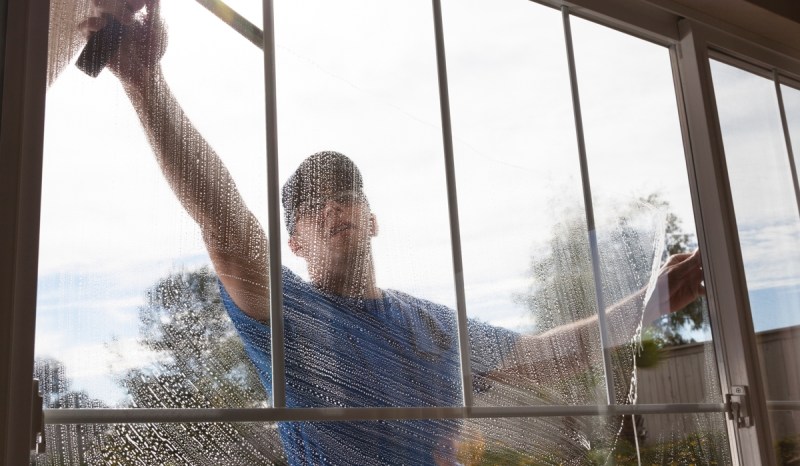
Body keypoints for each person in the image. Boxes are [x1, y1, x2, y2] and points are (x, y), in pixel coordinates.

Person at [79, 1, 706, 464]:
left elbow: (536, 356)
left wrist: (650, 299)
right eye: (310, 206)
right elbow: (226, 222)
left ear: (372, 218)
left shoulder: (429, 325)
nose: (332, 208)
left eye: (346, 194)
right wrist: (145, 82)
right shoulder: (289, 317)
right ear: (293, 243)